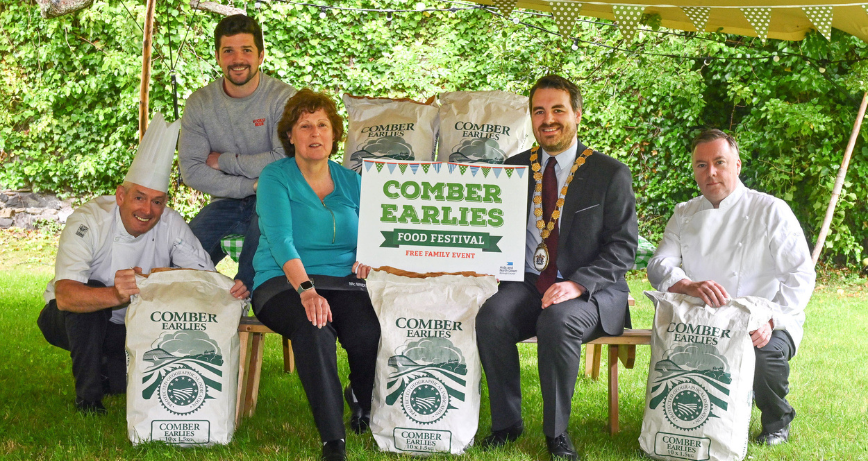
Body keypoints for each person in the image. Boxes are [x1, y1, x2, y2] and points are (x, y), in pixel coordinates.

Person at [38, 113, 249, 415]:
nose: (147, 210)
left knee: (126, 384)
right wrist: (116, 294)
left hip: (133, 327)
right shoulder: (89, 220)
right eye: (139, 198)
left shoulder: (171, 224)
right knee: (91, 294)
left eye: (157, 201)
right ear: (121, 195)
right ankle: (88, 399)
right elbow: (66, 296)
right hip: (68, 319)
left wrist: (233, 290)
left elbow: (204, 277)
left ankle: (105, 370)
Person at [475, 75, 638, 460]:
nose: (548, 120)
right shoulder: (512, 169)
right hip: (530, 283)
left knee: (558, 321)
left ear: (577, 115)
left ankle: (556, 433)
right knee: (491, 318)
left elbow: (623, 248)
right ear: (531, 118)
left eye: (558, 110)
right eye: (539, 111)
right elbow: (490, 229)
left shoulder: (609, 173)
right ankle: (506, 423)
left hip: (590, 291)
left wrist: (579, 284)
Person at [647, 129, 815, 446]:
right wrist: (687, 284)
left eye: (719, 162)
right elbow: (658, 265)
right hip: (707, 320)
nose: (710, 172)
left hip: (764, 316)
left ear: (737, 165)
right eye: (701, 164)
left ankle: (776, 421)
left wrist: (771, 319)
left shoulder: (770, 210)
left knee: (765, 357)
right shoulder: (684, 213)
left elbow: (800, 274)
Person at [252, 89, 380, 461]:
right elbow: (280, 239)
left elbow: (374, 234)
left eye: (322, 124)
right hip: (281, 280)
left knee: (368, 330)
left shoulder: (353, 181)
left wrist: (369, 256)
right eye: (304, 125)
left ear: (334, 133)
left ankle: (359, 395)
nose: (314, 133)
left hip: (342, 279)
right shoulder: (275, 177)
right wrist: (307, 290)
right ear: (290, 135)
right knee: (313, 327)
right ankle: (333, 440)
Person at [179, 14, 296, 289]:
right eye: (228, 51)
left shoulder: (284, 98)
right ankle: (198, 312)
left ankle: (246, 297)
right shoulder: (199, 103)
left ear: (261, 56)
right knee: (181, 257)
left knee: (253, 269)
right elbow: (192, 171)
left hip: (273, 202)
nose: (237, 59)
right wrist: (253, 185)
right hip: (225, 202)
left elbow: (284, 159)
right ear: (218, 57)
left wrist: (223, 160)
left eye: (246, 50)